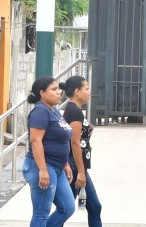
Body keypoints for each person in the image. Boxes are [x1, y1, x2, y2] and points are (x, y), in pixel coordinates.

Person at [23, 76, 75, 227]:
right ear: (42, 93)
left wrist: (64, 163)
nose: (59, 92)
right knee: (41, 213)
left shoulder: (54, 111)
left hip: (57, 167)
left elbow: (59, 139)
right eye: (54, 89)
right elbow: (35, 141)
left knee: (67, 208)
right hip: (43, 166)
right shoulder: (40, 111)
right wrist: (43, 170)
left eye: (58, 89)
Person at [62, 75, 102, 227]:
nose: (89, 92)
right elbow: (75, 142)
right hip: (75, 166)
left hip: (78, 165)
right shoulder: (75, 112)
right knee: (65, 210)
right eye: (87, 88)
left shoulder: (74, 110)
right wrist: (81, 172)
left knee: (93, 207)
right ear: (77, 92)